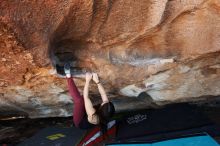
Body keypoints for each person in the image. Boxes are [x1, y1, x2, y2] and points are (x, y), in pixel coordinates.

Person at [64, 63, 115, 130]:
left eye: (104, 103)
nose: (105, 101)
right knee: (87, 101)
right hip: (90, 114)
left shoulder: (93, 116)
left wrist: (87, 80)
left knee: (80, 100)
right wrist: (97, 81)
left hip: (80, 121)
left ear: (102, 109)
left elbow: (86, 97)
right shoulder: (106, 110)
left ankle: (68, 76)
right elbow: (103, 94)